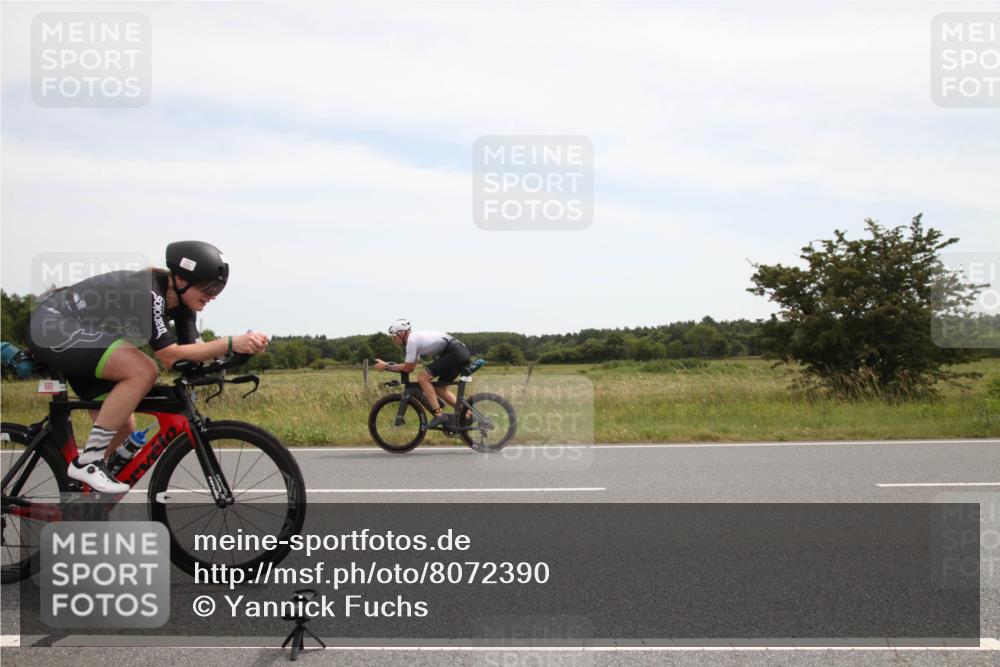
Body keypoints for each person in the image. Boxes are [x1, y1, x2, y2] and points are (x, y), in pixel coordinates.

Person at [28, 241, 269, 493]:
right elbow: (169, 357)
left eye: (218, 289)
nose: (213, 295)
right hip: (53, 324)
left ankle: (82, 503)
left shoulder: (184, 307)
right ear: (180, 278)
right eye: (208, 287)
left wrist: (239, 351)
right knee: (143, 369)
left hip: (82, 334)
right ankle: (88, 462)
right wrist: (230, 342)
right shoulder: (149, 292)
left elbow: (191, 357)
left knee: (123, 426)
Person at [374, 319, 471, 429]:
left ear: (401, 333)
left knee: (422, 377)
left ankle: (439, 414)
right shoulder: (414, 340)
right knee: (440, 389)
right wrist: (389, 365)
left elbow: (408, 367)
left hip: (455, 353)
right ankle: (467, 414)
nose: (393, 339)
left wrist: (386, 366)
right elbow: (411, 367)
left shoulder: (412, 341)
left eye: (394, 336)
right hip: (458, 352)